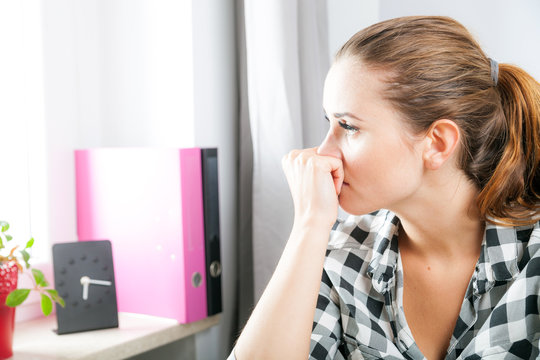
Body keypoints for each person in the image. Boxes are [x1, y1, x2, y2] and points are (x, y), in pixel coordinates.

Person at [229, 16, 540, 359]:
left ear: (437, 143)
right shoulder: (338, 254)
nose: (323, 153)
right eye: (329, 123)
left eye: (349, 126)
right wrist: (308, 225)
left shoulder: (533, 257)